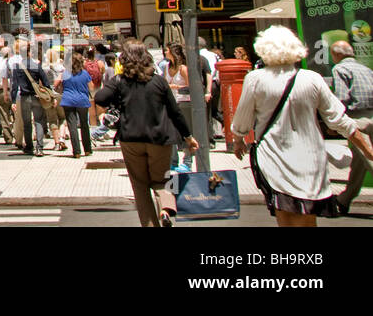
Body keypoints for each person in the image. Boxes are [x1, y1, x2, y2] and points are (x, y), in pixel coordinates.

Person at [231, 26, 373, 226]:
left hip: (275, 157)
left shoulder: (256, 79)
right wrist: (367, 150)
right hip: (311, 159)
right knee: (308, 219)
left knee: (286, 216)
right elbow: (339, 120)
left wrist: (238, 141)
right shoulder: (311, 78)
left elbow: (242, 121)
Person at [95, 40, 197, 227]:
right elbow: (175, 112)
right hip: (160, 138)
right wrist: (188, 137)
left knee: (140, 186)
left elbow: (100, 98)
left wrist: (117, 91)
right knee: (161, 179)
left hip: (131, 138)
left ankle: (150, 224)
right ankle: (166, 209)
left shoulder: (120, 81)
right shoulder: (158, 81)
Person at [330, 40, 373, 213]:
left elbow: (341, 99)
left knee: (368, 157)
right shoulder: (366, 69)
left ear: (338, 55)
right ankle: (344, 199)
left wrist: (335, 121)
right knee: (359, 162)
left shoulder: (339, 69)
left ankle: (344, 199)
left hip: (356, 120)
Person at [8, 40, 50, 156]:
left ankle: (29, 147)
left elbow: (14, 86)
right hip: (37, 97)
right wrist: (50, 96)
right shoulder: (37, 65)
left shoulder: (17, 67)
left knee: (27, 123)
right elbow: (46, 82)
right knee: (38, 121)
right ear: (29, 52)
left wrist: (13, 101)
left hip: (24, 97)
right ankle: (40, 148)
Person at [57, 53, 93, 159]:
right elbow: (91, 87)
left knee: (72, 126)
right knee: (84, 125)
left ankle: (76, 152)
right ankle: (87, 149)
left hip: (68, 100)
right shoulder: (85, 73)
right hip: (82, 100)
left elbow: (58, 85)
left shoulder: (65, 73)